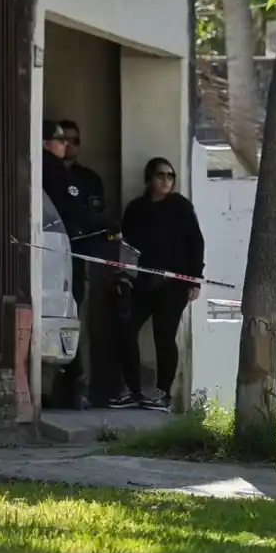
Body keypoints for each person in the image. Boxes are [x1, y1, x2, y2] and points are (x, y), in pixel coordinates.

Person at [111, 157, 205, 412]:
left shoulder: (181, 207)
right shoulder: (135, 209)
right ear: (149, 179)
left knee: (164, 335)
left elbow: (196, 243)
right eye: (161, 175)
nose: (166, 180)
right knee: (126, 329)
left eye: (170, 176)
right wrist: (123, 276)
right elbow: (125, 246)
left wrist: (194, 279)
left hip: (173, 284)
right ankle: (132, 390)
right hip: (140, 283)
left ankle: (164, 394)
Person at [41, 120, 111, 410]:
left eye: (71, 140)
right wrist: (107, 226)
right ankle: (67, 389)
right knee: (63, 322)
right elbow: (74, 212)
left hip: (72, 253)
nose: (65, 145)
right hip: (57, 257)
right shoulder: (51, 168)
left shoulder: (85, 177)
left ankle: (69, 388)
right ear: (46, 142)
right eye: (60, 139)